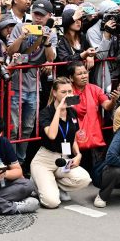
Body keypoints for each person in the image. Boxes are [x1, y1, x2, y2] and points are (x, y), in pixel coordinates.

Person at [31, 79, 93, 208]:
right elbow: (52, 135)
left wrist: (78, 155)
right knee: (52, 202)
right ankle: (37, 182)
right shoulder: (45, 113)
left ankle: (55, 184)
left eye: (70, 91)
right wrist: (59, 110)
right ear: (54, 93)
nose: (68, 95)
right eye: (63, 92)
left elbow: (73, 138)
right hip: (45, 160)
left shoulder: (72, 112)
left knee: (85, 179)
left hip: (63, 159)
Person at [6, 0, 57, 140]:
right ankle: (13, 160)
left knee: (28, 127)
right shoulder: (20, 27)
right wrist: (22, 37)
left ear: (49, 16)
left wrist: (46, 43)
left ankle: (21, 159)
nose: (38, 18)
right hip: (16, 83)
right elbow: (10, 51)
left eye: (42, 14)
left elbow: (51, 58)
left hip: (34, 86)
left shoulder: (51, 33)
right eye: (36, 14)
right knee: (13, 128)